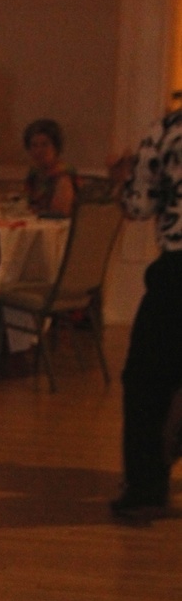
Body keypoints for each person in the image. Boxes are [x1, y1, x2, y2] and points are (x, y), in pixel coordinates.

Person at [108, 106, 182, 520]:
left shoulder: (171, 128)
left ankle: (146, 485)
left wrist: (124, 178)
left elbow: (139, 204)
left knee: (146, 382)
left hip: (178, 273)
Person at [23, 118, 76, 217]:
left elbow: (60, 213)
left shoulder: (62, 175)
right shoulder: (35, 173)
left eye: (45, 144)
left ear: (56, 147)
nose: (39, 151)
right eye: (34, 145)